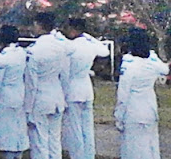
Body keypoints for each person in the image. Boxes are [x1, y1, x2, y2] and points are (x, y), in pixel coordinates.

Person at [24, 12, 74, 159]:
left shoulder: (34, 50)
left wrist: (28, 108)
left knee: (40, 142)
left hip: (40, 99)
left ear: (39, 26)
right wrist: (64, 97)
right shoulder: (61, 47)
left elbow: (31, 83)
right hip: (57, 96)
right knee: (54, 141)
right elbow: (65, 76)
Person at [114, 27, 169, 159]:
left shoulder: (129, 64)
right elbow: (165, 69)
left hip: (133, 114)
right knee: (150, 149)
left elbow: (123, 94)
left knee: (133, 151)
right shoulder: (152, 61)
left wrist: (118, 116)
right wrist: (152, 55)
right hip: (150, 111)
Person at [61, 18, 110, 159]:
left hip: (73, 89)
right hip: (86, 88)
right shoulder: (90, 45)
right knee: (87, 129)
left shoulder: (71, 46)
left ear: (73, 29)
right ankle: (89, 155)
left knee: (75, 129)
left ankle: (78, 156)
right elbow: (104, 51)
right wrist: (89, 37)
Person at [0, 25, 29, 159]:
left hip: (6, 96)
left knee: (7, 131)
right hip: (20, 93)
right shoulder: (22, 53)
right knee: (19, 128)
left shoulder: (3, 58)